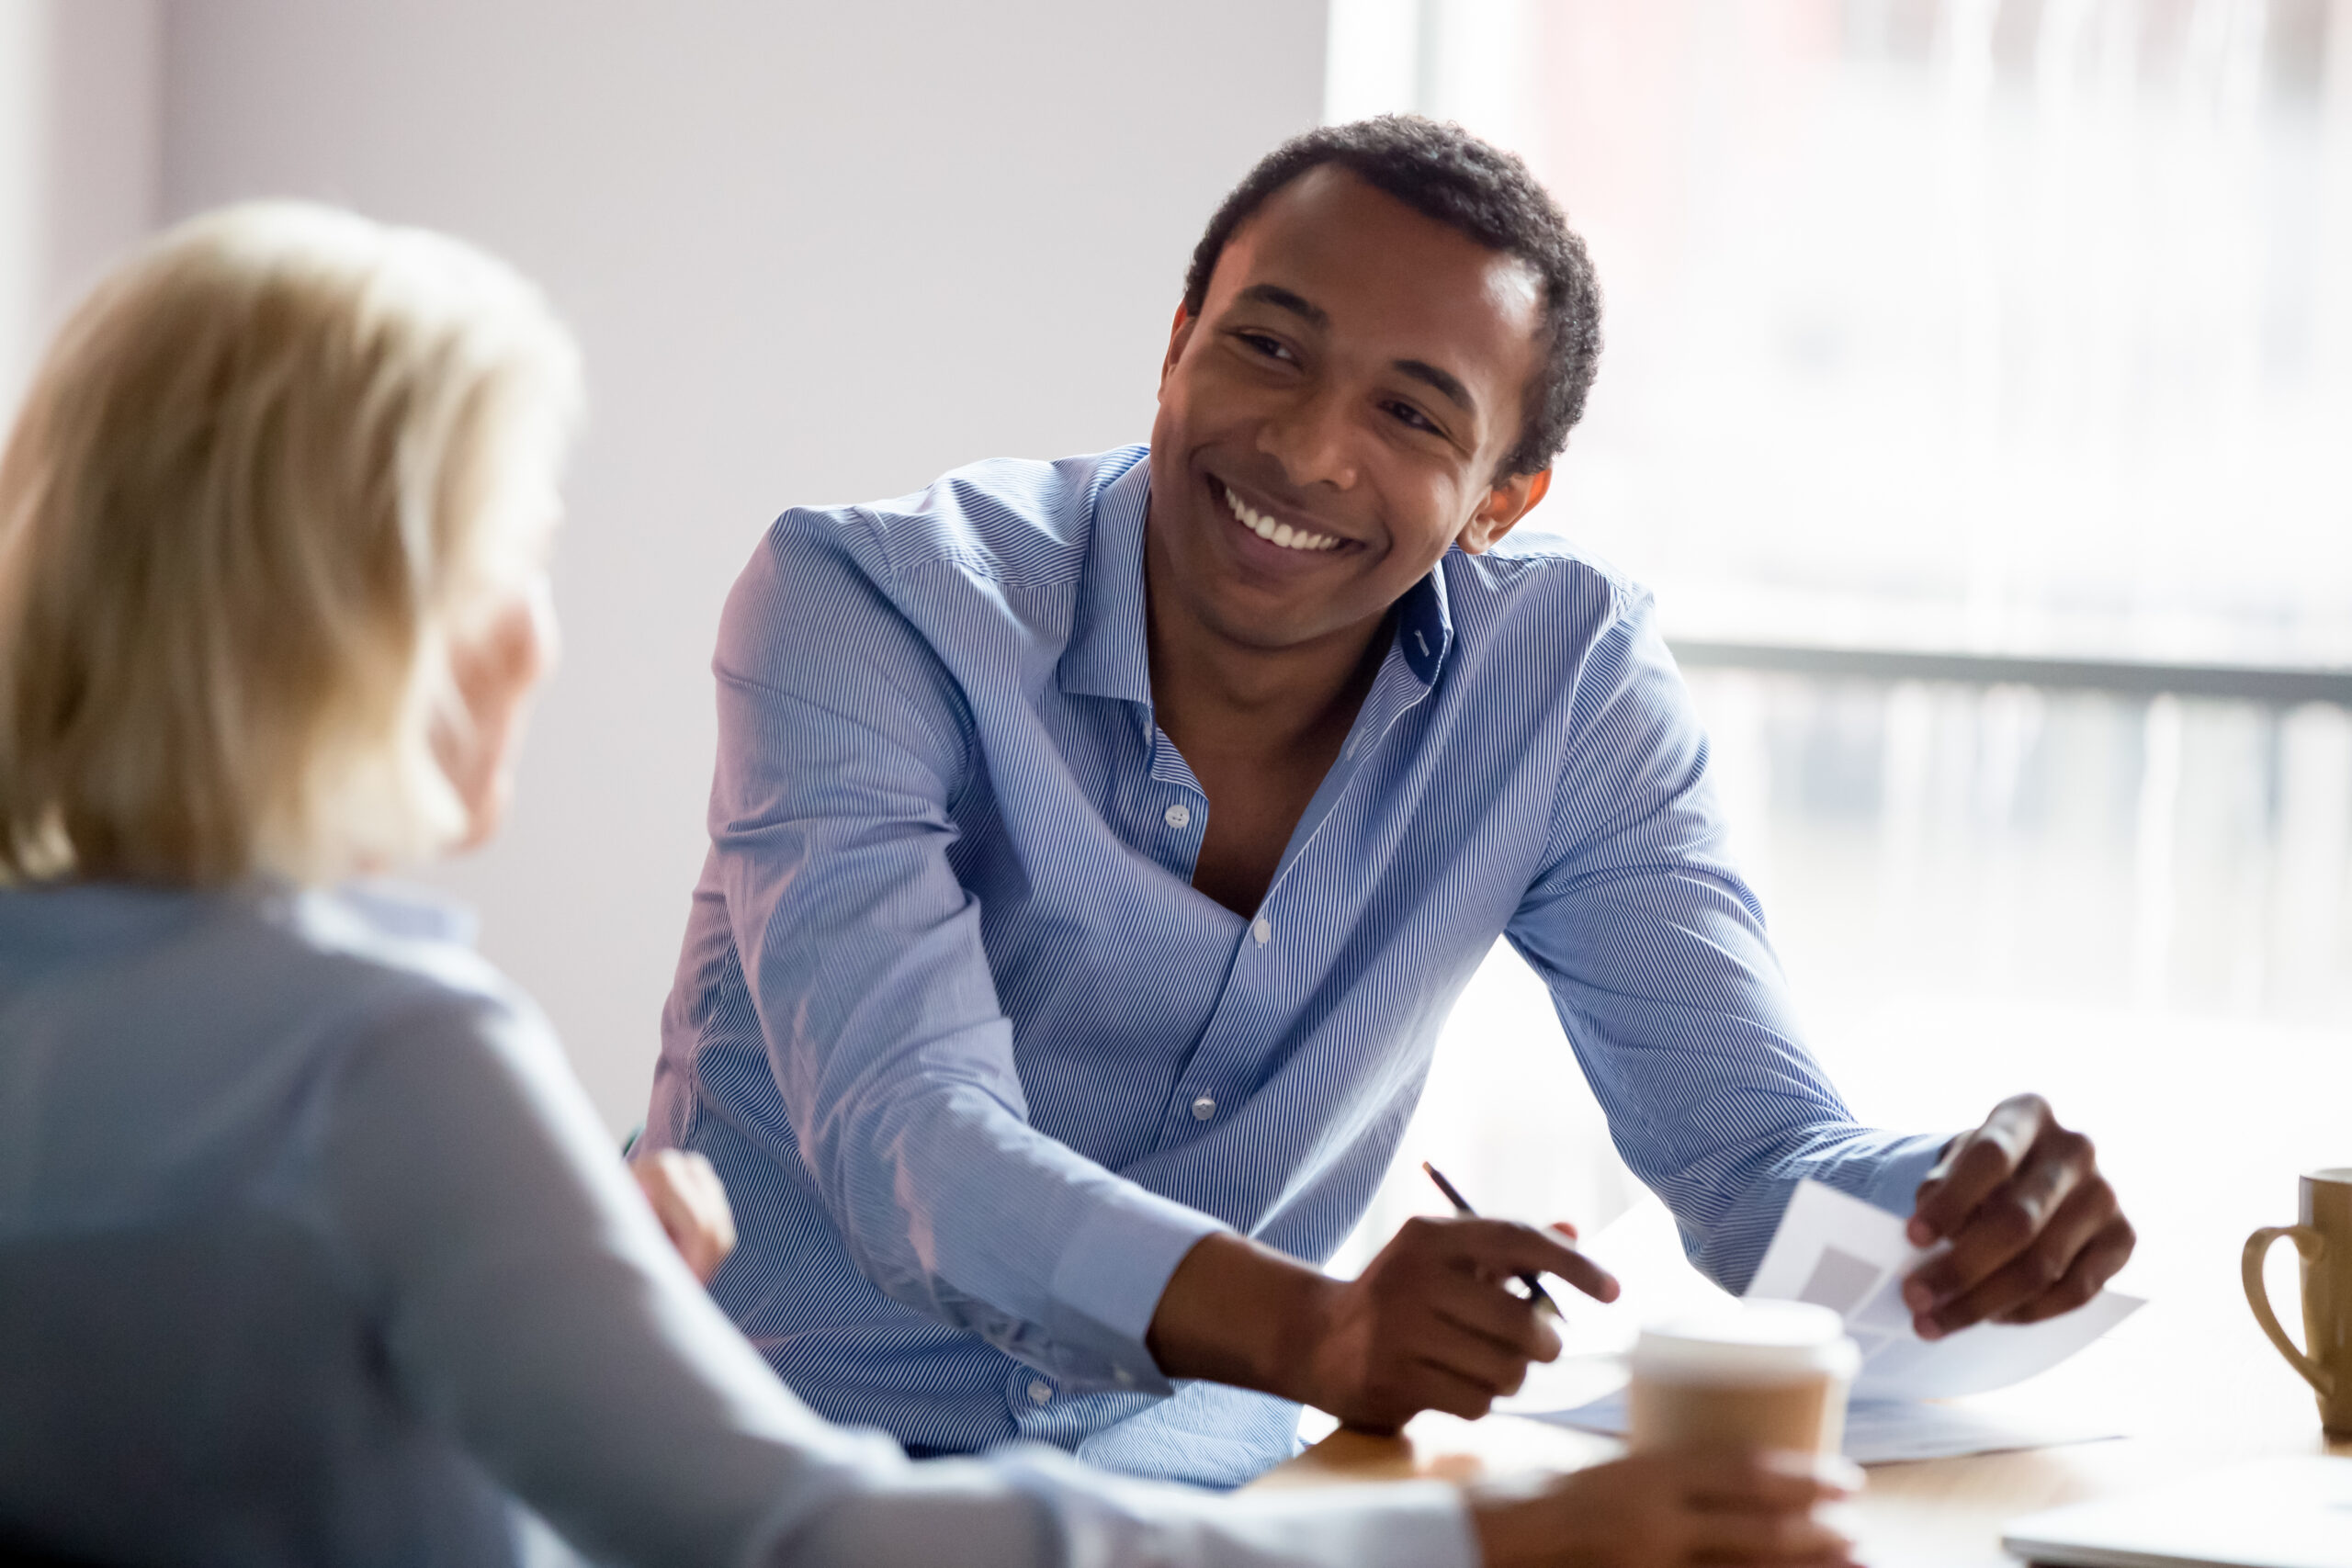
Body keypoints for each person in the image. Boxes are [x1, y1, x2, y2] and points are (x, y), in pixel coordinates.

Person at [0, 199, 1862, 1568]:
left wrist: (508, 1304)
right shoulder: (393, 1056)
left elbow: (184, 1417)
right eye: (511, 556)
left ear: (1502, 494)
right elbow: (801, 1515)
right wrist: (1496, 1538)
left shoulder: (165, 1027)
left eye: (1409, 411)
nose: (540, 636)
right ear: (358, 625)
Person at [642, 115, 2137, 1488]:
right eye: (1269, 349)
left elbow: (1757, 1161)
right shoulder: (869, 606)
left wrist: (1963, 1205)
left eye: (1416, 417)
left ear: (1504, 498)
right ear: (1175, 347)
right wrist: (1322, 1334)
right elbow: (918, 1149)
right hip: (758, 1479)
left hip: (1212, 1501)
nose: (1304, 450)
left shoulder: (1564, 688)